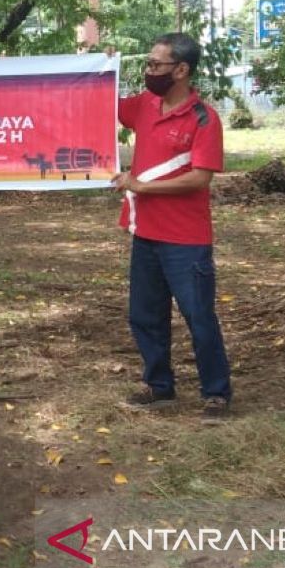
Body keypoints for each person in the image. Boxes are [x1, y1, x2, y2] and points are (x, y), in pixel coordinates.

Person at [110, 33, 233, 423]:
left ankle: (216, 394)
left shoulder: (203, 119)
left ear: (181, 70)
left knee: (199, 316)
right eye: (147, 64)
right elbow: (102, 107)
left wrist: (144, 186)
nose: (148, 72)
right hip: (145, 234)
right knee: (145, 316)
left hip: (186, 241)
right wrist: (99, 71)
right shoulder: (145, 105)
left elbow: (200, 178)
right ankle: (159, 387)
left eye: (155, 65)